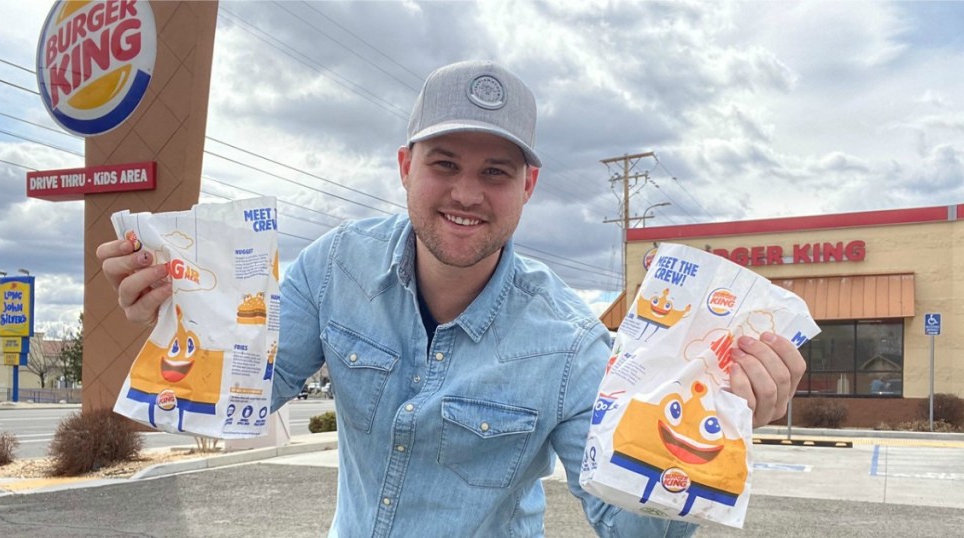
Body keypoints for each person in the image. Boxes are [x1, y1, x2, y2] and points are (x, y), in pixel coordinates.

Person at [98, 60, 805, 537]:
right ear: (406, 167)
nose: (467, 193)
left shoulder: (566, 342)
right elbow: (245, 397)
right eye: (444, 164)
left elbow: (625, 522)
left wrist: (716, 435)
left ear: (528, 186)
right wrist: (177, 318)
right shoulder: (335, 268)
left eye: (495, 172)